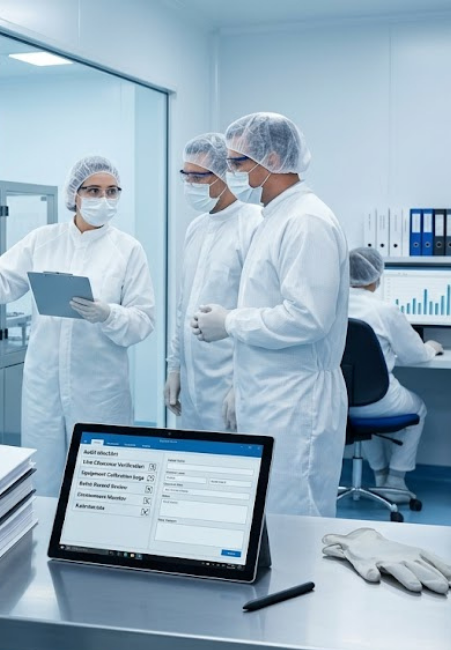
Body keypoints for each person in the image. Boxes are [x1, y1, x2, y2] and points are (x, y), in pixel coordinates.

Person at [0, 156, 155, 496]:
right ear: (74, 195)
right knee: (43, 481)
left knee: (102, 484)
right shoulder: (43, 240)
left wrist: (108, 314)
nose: (103, 199)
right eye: (93, 190)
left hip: (100, 389)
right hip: (44, 386)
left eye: (112, 191)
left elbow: (143, 320)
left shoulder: (127, 250)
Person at [191, 112, 349, 517]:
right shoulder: (273, 217)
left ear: (274, 160)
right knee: (268, 516)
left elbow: (307, 318)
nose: (230, 172)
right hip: (270, 395)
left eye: (238, 163)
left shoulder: (306, 221)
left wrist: (230, 322)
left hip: (297, 403)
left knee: (294, 518)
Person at [165, 133, 262, 431]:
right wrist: (175, 367)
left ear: (225, 173)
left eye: (199, 176)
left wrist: (242, 385)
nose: (190, 184)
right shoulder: (197, 227)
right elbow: (184, 305)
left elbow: (258, 312)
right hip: (195, 380)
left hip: (230, 379)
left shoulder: (254, 224)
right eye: (186, 175)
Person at [346, 247, 442, 499]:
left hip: (337, 400)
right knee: (418, 409)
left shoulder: (332, 307)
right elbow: (415, 356)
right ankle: (395, 481)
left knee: (361, 403)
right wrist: (431, 347)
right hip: (377, 400)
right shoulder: (385, 310)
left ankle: (379, 474)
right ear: (376, 277)